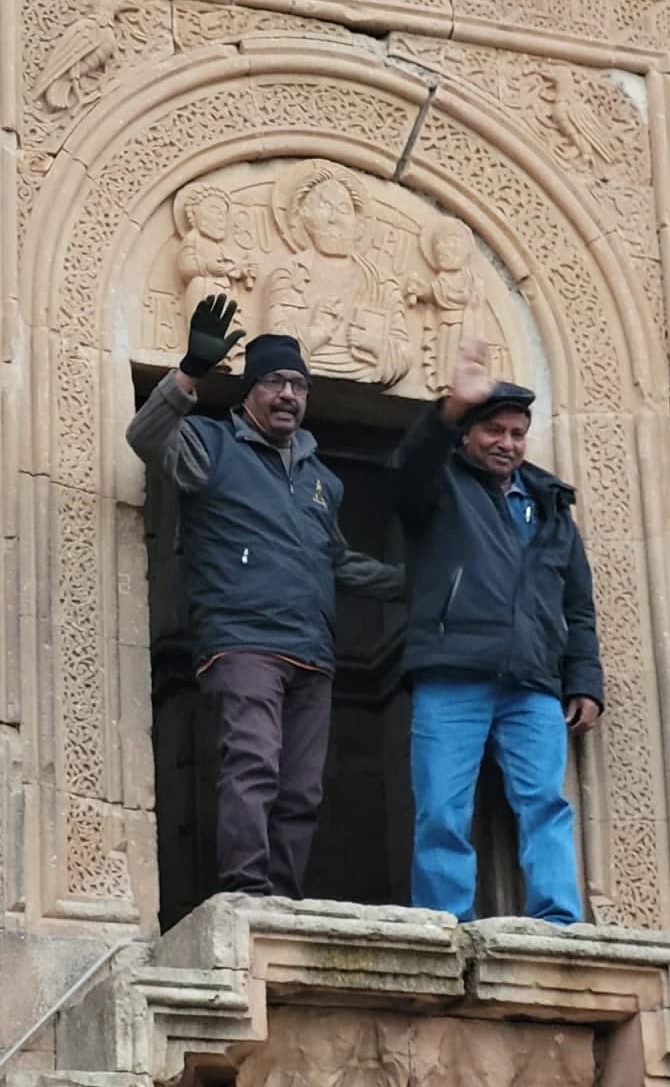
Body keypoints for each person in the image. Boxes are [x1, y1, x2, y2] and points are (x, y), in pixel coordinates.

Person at [126, 293, 404, 898]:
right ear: (249, 391)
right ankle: (247, 892)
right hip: (243, 640)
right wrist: (191, 372)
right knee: (252, 764)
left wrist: (415, 584)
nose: (287, 395)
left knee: (302, 789)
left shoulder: (321, 480)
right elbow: (145, 435)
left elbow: (339, 562)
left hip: (313, 652)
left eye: (298, 385)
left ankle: (282, 898)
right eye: (274, 382)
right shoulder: (211, 445)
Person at [388, 338, 603, 925]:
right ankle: (443, 922)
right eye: (493, 431)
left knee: (546, 804)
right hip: (452, 673)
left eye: (517, 433)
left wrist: (583, 680)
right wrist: (450, 408)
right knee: (442, 807)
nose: (507, 443)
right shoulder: (439, 486)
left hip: (533, 682)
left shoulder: (551, 505)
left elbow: (577, 604)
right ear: (466, 436)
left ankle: (558, 921)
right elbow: (408, 468)